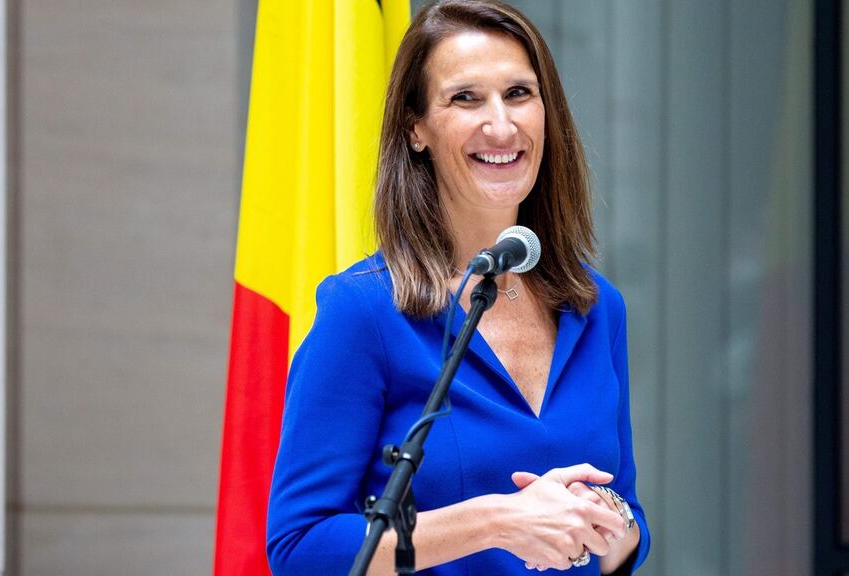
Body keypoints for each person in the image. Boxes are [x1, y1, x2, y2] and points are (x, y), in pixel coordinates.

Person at [266, 1, 650, 573]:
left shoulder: (595, 307)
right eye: (465, 98)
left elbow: (630, 526)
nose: (502, 124)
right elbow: (300, 550)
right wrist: (499, 521)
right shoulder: (363, 311)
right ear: (416, 128)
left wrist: (604, 516)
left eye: (519, 94)